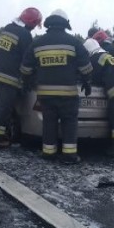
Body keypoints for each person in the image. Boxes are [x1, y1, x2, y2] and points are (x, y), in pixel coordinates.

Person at [20, 9, 92, 164]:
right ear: (65, 23)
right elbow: (86, 67)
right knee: (69, 123)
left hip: (45, 95)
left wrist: (27, 82)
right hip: (68, 95)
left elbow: (25, 68)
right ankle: (69, 156)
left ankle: (48, 153)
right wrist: (87, 82)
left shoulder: (37, 43)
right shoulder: (73, 42)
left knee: (49, 123)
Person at [0, 7, 42, 148]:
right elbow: (27, 60)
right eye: (35, 25)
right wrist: (30, 78)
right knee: (4, 108)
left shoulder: (8, 28)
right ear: (31, 23)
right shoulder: (25, 35)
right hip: (8, 78)